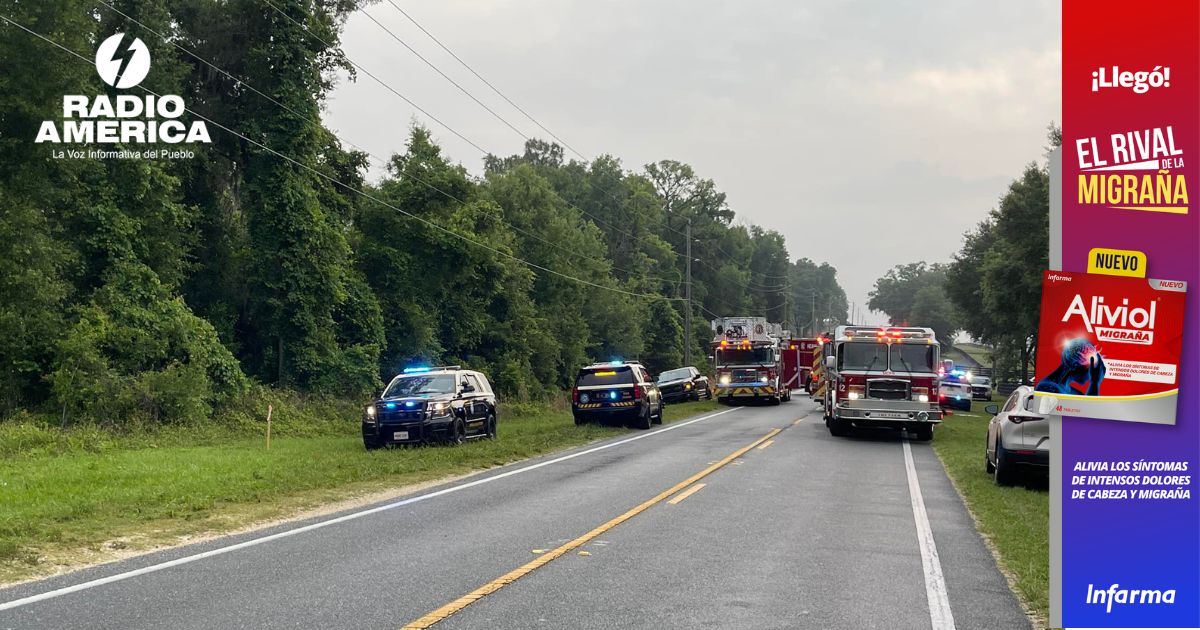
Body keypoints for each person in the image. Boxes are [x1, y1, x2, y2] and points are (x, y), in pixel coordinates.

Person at [1035, 338, 1106, 396]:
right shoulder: (1047, 388)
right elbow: (1089, 411)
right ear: (1075, 365)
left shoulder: (1069, 390)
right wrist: (1094, 383)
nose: (1094, 374)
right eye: (1091, 369)